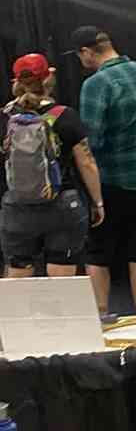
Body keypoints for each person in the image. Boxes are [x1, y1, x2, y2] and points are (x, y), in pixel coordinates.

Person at [72, 25, 136, 317]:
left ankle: (102, 319)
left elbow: (91, 142)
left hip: (110, 185)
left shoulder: (96, 84)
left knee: (98, 254)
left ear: (87, 52)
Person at [0, 53, 103, 280]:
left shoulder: (5, 117)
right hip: (62, 204)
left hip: (17, 206)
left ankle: (19, 317)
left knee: (18, 274)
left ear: (15, 82)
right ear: (48, 79)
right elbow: (86, 162)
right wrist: (97, 202)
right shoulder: (65, 116)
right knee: (61, 277)